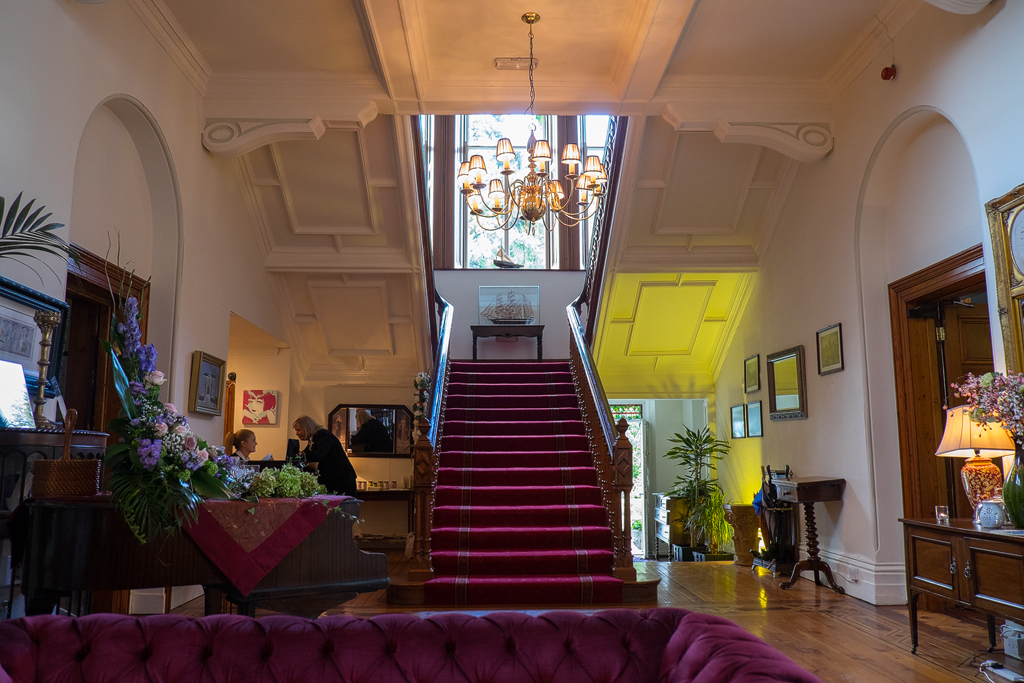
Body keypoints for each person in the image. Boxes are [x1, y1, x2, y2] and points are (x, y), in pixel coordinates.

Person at [293, 415, 357, 496]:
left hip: (342, 480)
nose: (297, 433)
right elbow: (307, 455)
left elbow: (318, 456)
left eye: (299, 430)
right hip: (335, 480)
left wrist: (301, 455)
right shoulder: (314, 439)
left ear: (307, 428)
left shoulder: (323, 435)